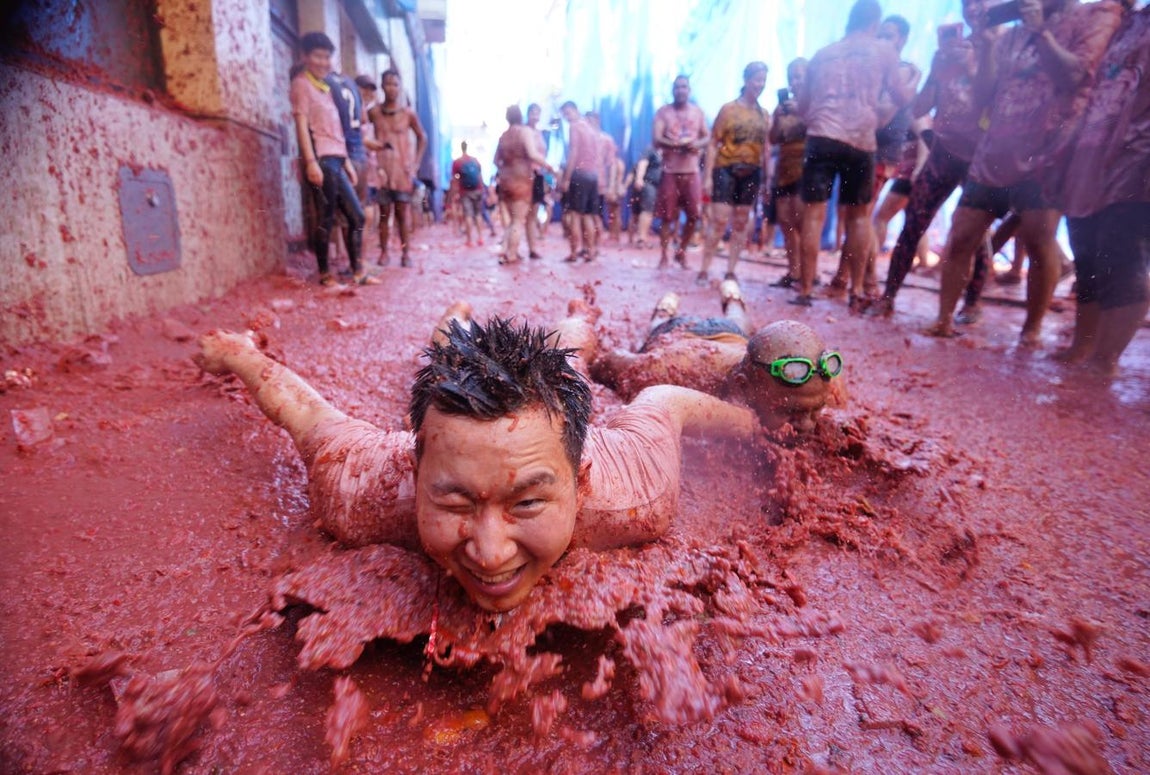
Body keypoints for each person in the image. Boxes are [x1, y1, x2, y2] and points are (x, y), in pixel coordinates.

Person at [194, 306, 760, 613]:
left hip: (572, 413)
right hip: (450, 427)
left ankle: (576, 319)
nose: (490, 555)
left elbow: (665, 402)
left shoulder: (634, 493)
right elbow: (309, 417)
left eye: (529, 502)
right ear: (415, 479)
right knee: (443, 360)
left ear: (579, 484)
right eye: (456, 502)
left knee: (566, 359)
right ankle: (452, 325)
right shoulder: (366, 490)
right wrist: (237, 353)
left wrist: (754, 426)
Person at [928, 0, 1125, 342]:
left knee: (1038, 241)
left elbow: (1075, 75)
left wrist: (1041, 32)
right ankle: (943, 318)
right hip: (994, 152)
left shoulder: (1093, 16)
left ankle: (1030, 331)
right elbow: (983, 97)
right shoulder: (1011, 36)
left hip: (1048, 153)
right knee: (961, 235)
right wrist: (987, 49)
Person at [870, 0, 994, 318]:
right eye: (968, 4)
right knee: (913, 224)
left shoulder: (1002, 45)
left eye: (980, 3)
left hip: (981, 155)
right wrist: (938, 73)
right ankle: (888, 297)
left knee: (976, 232)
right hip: (944, 152)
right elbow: (920, 107)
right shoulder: (949, 55)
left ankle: (972, 303)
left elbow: (996, 100)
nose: (974, 9)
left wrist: (970, 68)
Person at [590, 281, 845, 433]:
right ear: (743, 386)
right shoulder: (679, 370)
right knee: (656, 326)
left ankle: (732, 293)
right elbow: (610, 363)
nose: (808, 426)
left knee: (739, 322)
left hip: (732, 336)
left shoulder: (820, 383)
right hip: (681, 335)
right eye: (791, 411)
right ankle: (666, 304)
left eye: (815, 410)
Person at [791, 0, 914, 308]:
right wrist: (915, 80)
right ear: (874, 24)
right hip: (860, 139)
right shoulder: (883, 52)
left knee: (813, 215)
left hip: (822, 136)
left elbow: (803, 108)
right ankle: (856, 289)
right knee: (859, 218)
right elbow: (901, 97)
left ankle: (805, 289)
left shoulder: (822, 55)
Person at [1056, 2, 1148, 376]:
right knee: (1089, 254)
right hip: (1095, 152)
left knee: (1120, 253)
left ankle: (1104, 361)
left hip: (1137, 155)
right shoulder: (1131, 21)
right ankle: (1084, 349)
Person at [289, 32, 375, 287]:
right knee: (326, 217)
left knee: (356, 216)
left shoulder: (325, 87)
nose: (323, 62)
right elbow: (302, 125)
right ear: (305, 56)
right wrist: (310, 161)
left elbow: (336, 129)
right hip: (322, 160)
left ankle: (357, 271)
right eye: (317, 56)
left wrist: (346, 160)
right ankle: (325, 274)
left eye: (327, 57)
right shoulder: (301, 84)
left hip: (337, 158)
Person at [700, 62, 771, 286]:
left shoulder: (764, 114)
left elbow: (766, 148)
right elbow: (713, 142)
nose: (760, 84)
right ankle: (704, 269)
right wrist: (708, 177)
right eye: (756, 79)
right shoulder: (728, 109)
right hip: (726, 168)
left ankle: (731, 271)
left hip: (752, 171)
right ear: (746, 80)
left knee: (741, 221)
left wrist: (767, 179)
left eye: (763, 80)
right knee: (719, 220)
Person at [367, 69, 427, 269]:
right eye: (388, 84)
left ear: (400, 87)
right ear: (382, 86)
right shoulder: (374, 112)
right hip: (383, 173)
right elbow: (360, 131)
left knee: (403, 215)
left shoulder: (408, 114)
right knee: (384, 215)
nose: (392, 88)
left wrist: (416, 163)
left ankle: (406, 253)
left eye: (395, 84)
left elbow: (422, 137)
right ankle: (384, 252)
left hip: (402, 173)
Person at [652, 75, 709, 271]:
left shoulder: (697, 113)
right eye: (677, 87)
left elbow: (707, 137)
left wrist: (694, 144)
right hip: (670, 171)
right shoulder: (663, 113)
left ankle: (681, 252)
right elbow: (657, 138)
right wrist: (676, 144)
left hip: (692, 172)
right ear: (672, 90)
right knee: (667, 217)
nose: (680, 91)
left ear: (689, 90)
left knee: (694, 216)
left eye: (684, 87)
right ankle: (663, 256)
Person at [494, 105, 553, 265]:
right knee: (518, 220)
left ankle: (508, 250)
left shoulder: (503, 136)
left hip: (506, 181)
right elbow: (533, 154)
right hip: (522, 180)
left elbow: (495, 161)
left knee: (513, 220)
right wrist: (549, 167)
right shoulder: (525, 132)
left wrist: (507, 168)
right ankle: (511, 254)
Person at [768, 58, 809, 289]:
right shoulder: (782, 109)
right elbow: (773, 139)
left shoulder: (815, 104)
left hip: (807, 170)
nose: (794, 81)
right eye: (791, 77)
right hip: (784, 170)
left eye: (799, 76)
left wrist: (802, 110)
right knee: (786, 222)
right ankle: (793, 271)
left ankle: (808, 272)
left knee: (804, 222)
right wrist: (777, 119)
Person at [558, 101, 601, 262]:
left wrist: (566, 178)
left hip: (579, 174)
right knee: (588, 215)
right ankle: (590, 251)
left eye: (568, 113)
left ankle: (574, 252)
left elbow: (574, 151)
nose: (567, 117)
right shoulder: (590, 128)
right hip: (592, 175)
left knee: (575, 216)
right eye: (564, 115)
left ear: (575, 110)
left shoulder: (574, 127)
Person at [450, 141, 486, 248]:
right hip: (478, 190)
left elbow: (455, 179)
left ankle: (470, 240)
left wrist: (454, 193)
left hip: (465, 192)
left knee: (468, 215)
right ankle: (480, 238)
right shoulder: (475, 161)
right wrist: (483, 190)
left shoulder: (457, 162)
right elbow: (480, 176)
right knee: (478, 214)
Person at [525, 103, 548, 260]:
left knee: (532, 214)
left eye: (538, 113)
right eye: (533, 112)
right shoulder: (525, 131)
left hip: (538, 175)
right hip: (526, 175)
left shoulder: (539, 134)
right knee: (522, 214)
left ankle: (532, 248)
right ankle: (515, 247)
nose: (536, 115)